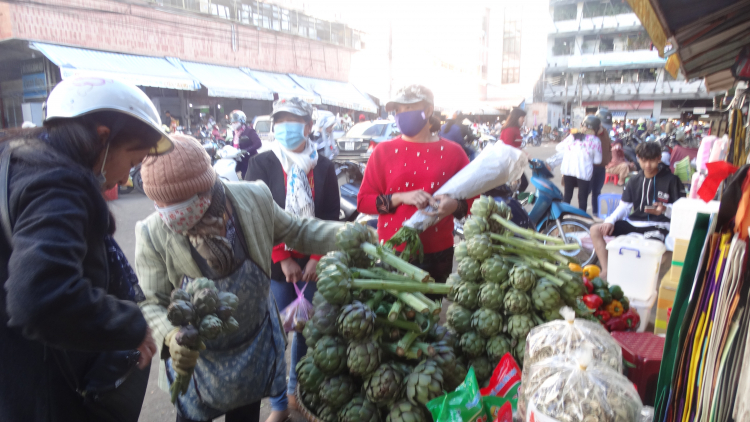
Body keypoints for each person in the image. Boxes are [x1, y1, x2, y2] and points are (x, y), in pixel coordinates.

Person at [135, 134, 341, 422]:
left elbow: (297, 231)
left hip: (252, 350)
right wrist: (171, 336)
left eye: (181, 203)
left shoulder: (253, 199)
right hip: (198, 362)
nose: (172, 214)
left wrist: (346, 237)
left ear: (206, 187)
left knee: (245, 416)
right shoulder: (152, 232)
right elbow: (150, 302)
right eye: (163, 205)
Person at [0, 77, 167, 421]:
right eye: (132, 161)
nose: (125, 179)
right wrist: (130, 324)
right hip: (41, 391)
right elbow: (42, 296)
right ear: (103, 138)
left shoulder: (16, 159)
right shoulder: (55, 181)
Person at [244, 97, 339, 418]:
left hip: (312, 266)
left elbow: (329, 217)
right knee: (275, 335)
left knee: (303, 329)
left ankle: (295, 391)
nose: (285, 127)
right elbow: (255, 214)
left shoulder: (324, 167)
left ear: (309, 126)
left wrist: (315, 257)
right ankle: (278, 405)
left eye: (293, 120)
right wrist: (281, 256)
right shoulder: (262, 164)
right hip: (276, 266)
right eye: (280, 121)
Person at [357, 85, 471, 294]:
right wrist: (399, 197)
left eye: (408, 107)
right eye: (397, 110)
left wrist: (453, 206)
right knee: (393, 320)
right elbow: (364, 201)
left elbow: (474, 201)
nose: (401, 114)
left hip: (438, 253)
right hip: (393, 251)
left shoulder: (454, 153)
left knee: (430, 319)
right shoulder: (383, 152)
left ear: (428, 110)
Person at [590, 142, 684, 279]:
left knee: (656, 252)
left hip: (659, 226)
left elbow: (681, 210)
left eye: (652, 161)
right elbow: (624, 206)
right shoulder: (634, 180)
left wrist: (665, 210)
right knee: (595, 230)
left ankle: (648, 281)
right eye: (644, 161)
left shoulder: (672, 180)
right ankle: (606, 270)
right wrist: (609, 221)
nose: (647, 165)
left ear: (659, 158)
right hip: (634, 223)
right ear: (638, 158)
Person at [556, 115, 603, 211]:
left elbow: (558, 148)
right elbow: (598, 161)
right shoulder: (595, 140)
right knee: (582, 198)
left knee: (567, 196)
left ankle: (563, 218)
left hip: (568, 170)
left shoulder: (572, 136)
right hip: (584, 172)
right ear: (596, 128)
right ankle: (581, 219)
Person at [591, 108, 613, 217]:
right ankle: (581, 215)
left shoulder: (605, 133)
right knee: (584, 193)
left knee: (597, 192)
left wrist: (608, 159)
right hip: (589, 167)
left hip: (601, 167)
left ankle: (595, 213)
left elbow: (608, 146)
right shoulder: (589, 134)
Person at [229, 110, 262, 179]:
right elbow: (232, 145)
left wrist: (246, 150)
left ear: (242, 121)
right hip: (239, 159)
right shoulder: (234, 133)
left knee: (247, 178)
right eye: (232, 122)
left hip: (249, 160)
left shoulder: (249, 131)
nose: (233, 124)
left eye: (236, 122)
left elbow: (258, 143)